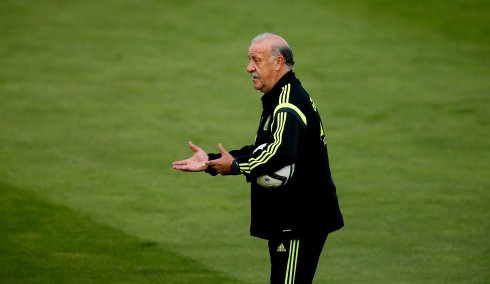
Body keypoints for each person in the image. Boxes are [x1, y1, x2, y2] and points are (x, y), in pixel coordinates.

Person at [172, 33, 343, 284]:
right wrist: (211, 160)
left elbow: (281, 152)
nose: (249, 67)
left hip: (299, 220)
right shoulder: (281, 98)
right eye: (249, 59)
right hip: (292, 218)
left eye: (256, 60)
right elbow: (264, 148)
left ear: (278, 62)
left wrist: (233, 166)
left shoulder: (287, 105)